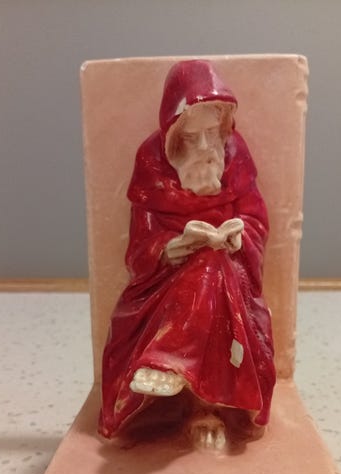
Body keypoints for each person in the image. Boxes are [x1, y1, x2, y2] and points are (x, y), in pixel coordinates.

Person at [99, 59, 275, 449]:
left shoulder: (235, 154)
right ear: (173, 134)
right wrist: (172, 247)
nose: (206, 148)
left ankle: (172, 367)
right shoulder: (152, 161)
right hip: (163, 280)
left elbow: (255, 218)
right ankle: (174, 372)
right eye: (192, 138)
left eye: (212, 134)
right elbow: (141, 240)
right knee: (205, 266)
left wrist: (238, 238)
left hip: (230, 272)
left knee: (214, 265)